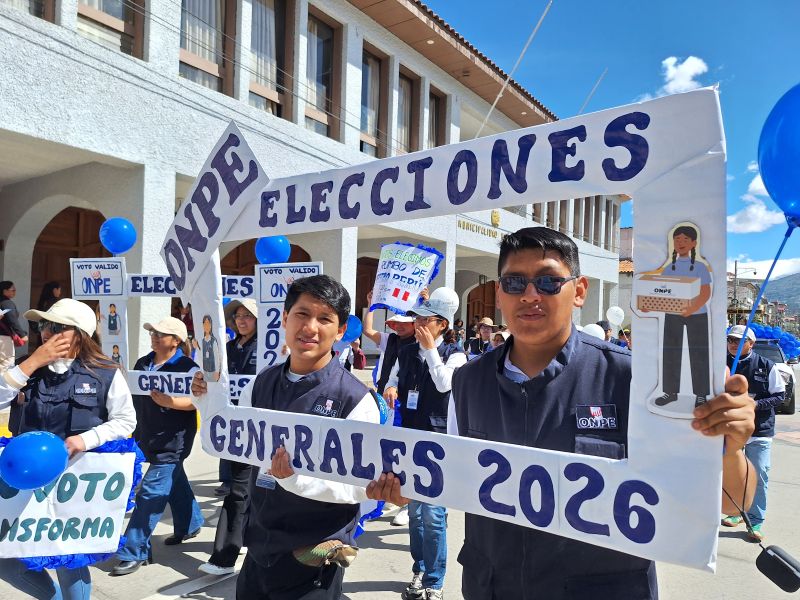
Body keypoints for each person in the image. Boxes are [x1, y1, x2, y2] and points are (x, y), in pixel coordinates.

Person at [367, 227, 756, 600]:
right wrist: (408, 491)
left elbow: (728, 501)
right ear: (500, 293)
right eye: (515, 283)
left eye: (549, 282)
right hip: (492, 586)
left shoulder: (638, 379)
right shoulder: (468, 382)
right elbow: (453, 476)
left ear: (579, 291)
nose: (530, 294)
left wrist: (731, 447)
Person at [193, 274, 380, 600]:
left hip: (314, 560)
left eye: (325, 318)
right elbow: (233, 441)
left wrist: (296, 480)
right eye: (302, 314)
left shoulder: (355, 399)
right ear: (284, 318)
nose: (310, 327)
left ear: (340, 330)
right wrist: (205, 401)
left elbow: (361, 488)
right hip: (260, 550)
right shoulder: (262, 383)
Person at [0, 298, 136, 599]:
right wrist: (32, 363)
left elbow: (126, 421)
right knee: (6, 561)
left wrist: (84, 440)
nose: (46, 332)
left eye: (57, 327)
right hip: (25, 482)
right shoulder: (26, 367)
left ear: (80, 334)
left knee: (68, 563)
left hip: (73, 486)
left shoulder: (105, 372)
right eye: (43, 325)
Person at [382, 287, 466, 600]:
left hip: (437, 442)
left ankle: (435, 581)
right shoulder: (405, 352)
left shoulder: (455, 353)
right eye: (416, 318)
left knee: (433, 514)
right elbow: (392, 378)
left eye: (424, 319)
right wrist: (390, 389)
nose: (417, 324)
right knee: (415, 512)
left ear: (441, 324)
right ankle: (419, 568)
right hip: (408, 438)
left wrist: (431, 351)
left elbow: (445, 384)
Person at [112, 317, 203, 576]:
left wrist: (171, 401)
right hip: (146, 434)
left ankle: (134, 551)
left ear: (176, 341)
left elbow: (199, 400)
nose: (154, 336)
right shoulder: (144, 362)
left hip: (173, 439)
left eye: (160, 334)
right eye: (153, 332)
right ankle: (190, 524)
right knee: (174, 481)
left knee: (150, 493)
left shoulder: (188, 367)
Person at [199, 299, 259, 574]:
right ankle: (236, 546)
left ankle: (224, 556)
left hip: (261, 428)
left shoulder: (270, 350)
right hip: (234, 428)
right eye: (238, 316)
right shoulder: (228, 349)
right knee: (242, 489)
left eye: (248, 315)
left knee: (241, 491)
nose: (242, 320)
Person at [721, 325, 785, 542]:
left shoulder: (767, 366)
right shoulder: (720, 365)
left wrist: (753, 405)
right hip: (730, 430)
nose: (733, 344)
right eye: (730, 339)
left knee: (759, 475)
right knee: (733, 474)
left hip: (759, 431)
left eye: (738, 341)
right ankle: (734, 512)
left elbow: (779, 396)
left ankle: (755, 520)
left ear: (751, 343)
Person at [363, 295, 418, 527]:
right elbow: (367, 330)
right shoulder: (390, 340)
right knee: (385, 449)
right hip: (385, 401)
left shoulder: (421, 342)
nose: (397, 325)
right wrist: (372, 305)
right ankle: (391, 492)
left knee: (404, 452)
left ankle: (406, 503)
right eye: (396, 322)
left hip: (409, 403)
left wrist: (422, 301)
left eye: (403, 322)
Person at [652, 225, 712, 409]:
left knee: (699, 353)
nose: (681, 243)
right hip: (673, 314)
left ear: (693, 243)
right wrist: (649, 306)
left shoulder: (701, 267)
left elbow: (705, 293)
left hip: (698, 315)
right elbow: (661, 293)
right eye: (677, 239)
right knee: (670, 352)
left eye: (685, 239)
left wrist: (691, 308)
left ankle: (701, 395)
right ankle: (670, 392)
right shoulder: (669, 268)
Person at [0, 281, 28, 352]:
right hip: (4, 338)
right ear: (5, 291)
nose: (15, 292)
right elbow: (12, 319)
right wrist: (22, 335)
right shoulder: (7, 303)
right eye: (13, 290)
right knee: (7, 362)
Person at [194, 314, 221, 382]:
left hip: (213, 370)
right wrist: (196, 347)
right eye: (205, 323)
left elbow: (217, 357)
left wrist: (217, 371)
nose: (207, 326)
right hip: (205, 370)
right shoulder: (203, 340)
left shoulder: (213, 340)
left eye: (208, 323)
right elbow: (201, 355)